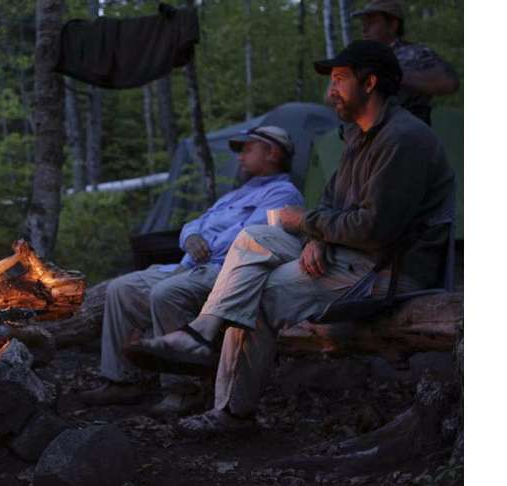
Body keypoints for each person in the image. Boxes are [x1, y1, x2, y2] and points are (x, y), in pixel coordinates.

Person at [126, 40, 454, 434]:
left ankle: (231, 412)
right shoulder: (359, 135)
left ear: (369, 83)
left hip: (388, 269)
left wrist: (308, 225)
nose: (330, 91)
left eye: (339, 80)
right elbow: (331, 202)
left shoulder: (402, 139)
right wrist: (317, 238)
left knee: (258, 295)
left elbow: (375, 230)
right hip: (351, 252)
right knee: (254, 235)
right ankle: (203, 331)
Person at [79, 126, 305, 414]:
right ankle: (122, 380)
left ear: (272, 153)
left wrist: (203, 242)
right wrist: (191, 238)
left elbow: (248, 237)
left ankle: (183, 389)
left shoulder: (283, 194)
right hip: (191, 265)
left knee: (166, 293)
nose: (240, 157)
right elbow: (195, 224)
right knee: (121, 289)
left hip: (224, 271)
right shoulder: (237, 194)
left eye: (248, 149)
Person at [353, 0, 459, 125]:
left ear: (393, 25)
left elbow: (449, 82)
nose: (364, 29)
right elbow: (336, 97)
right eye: (364, 23)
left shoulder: (415, 54)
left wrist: (396, 75)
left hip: (408, 127)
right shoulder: (361, 59)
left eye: (371, 23)